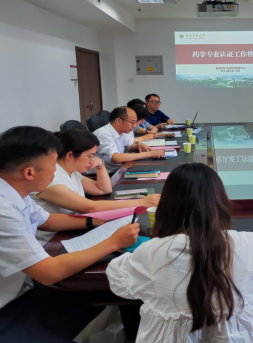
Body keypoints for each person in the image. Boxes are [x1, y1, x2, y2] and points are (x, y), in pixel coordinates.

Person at [106, 163, 253, 342]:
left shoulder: (150, 251)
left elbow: (118, 280)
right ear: (220, 201)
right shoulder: (251, 245)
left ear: (166, 205)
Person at [0, 126, 139, 342]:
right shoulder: (3, 209)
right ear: (29, 173)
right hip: (10, 303)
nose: (55, 171)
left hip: (25, 282)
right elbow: (49, 272)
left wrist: (91, 222)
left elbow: (46, 220)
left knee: (123, 289)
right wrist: (113, 242)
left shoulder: (16, 190)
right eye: (52, 166)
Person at [32, 128, 161, 245]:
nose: (92, 160)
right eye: (90, 156)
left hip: (72, 230)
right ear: (70, 155)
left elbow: (104, 189)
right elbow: (90, 207)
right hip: (52, 242)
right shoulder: (50, 179)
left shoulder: (72, 171)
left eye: (94, 156)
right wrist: (140, 203)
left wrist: (100, 166)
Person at [94, 106, 165, 172]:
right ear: (118, 121)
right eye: (132, 122)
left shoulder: (122, 131)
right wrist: (149, 154)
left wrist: (138, 146)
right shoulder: (103, 134)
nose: (134, 126)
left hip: (119, 168)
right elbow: (117, 158)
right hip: (107, 173)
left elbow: (129, 147)